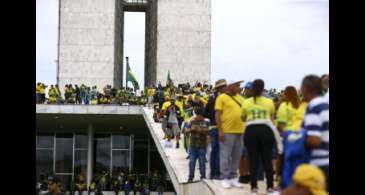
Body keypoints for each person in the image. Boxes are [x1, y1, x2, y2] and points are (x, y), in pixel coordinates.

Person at [241, 79, 281, 194]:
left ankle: (254, 187)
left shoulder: (247, 102)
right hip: (266, 130)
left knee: (253, 159)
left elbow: (242, 117)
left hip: (251, 130)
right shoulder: (269, 101)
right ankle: (269, 186)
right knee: (267, 159)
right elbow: (272, 117)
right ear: (263, 88)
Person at [300, 75, 329, 191]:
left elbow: (314, 140)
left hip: (318, 164)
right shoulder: (325, 105)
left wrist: (296, 139)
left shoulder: (314, 107)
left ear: (305, 88)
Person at [215, 78, 245, 189]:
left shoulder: (241, 99)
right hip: (227, 131)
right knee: (225, 156)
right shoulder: (221, 98)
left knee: (237, 156)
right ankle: (225, 178)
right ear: (231, 86)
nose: (239, 87)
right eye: (237, 85)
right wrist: (220, 130)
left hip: (240, 131)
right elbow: (217, 114)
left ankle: (233, 177)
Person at [203, 79, 227, 180]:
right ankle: (217, 173)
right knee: (218, 150)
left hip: (216, 127)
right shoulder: (216, 98)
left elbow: (205, 112)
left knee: (216, 150)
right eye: (224, 86)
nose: (226, 87)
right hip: (216, 127)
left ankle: (214, 173)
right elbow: (206, 113)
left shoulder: (212, 98)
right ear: (220, 88)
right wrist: (214, 117)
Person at [185, 106, 210, 182]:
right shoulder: (191, 121)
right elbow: (186, 131)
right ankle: (190, 177)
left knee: (202, 162)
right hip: (193, 145)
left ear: (201, 115)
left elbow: (208, 132)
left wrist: (198, 129)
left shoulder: (206, 121)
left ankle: (203, 176)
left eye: (197, 114)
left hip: (202, 145)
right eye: (196, 114)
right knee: (191, 162)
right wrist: (190, 130)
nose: (196, 116)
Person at [238, 81, 253, 184]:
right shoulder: (242, 100)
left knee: (248, 155)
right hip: (241, 130)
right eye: (244, 89)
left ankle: (247, 174)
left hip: (250, 130)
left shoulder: (253, 101)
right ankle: (242, 174)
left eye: (247, 89)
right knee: (241, 154)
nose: (244, 90)